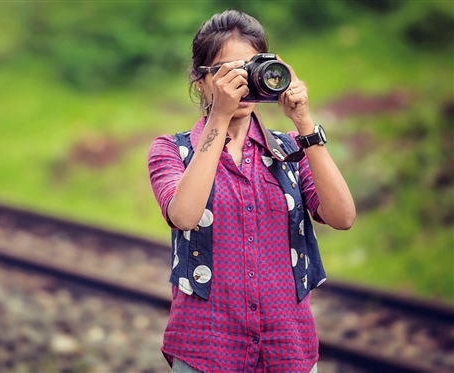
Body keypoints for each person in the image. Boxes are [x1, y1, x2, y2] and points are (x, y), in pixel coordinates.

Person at [147, 9, 356, 373]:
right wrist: (219, 117)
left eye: (252, 68)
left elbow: (343, 217)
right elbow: (184, 216)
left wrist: (304, 123)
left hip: (287, 347)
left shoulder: (291, 149)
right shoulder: (170, 150)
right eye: (229, 72)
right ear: (201, 80)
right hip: (205, 348)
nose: (243, 83)